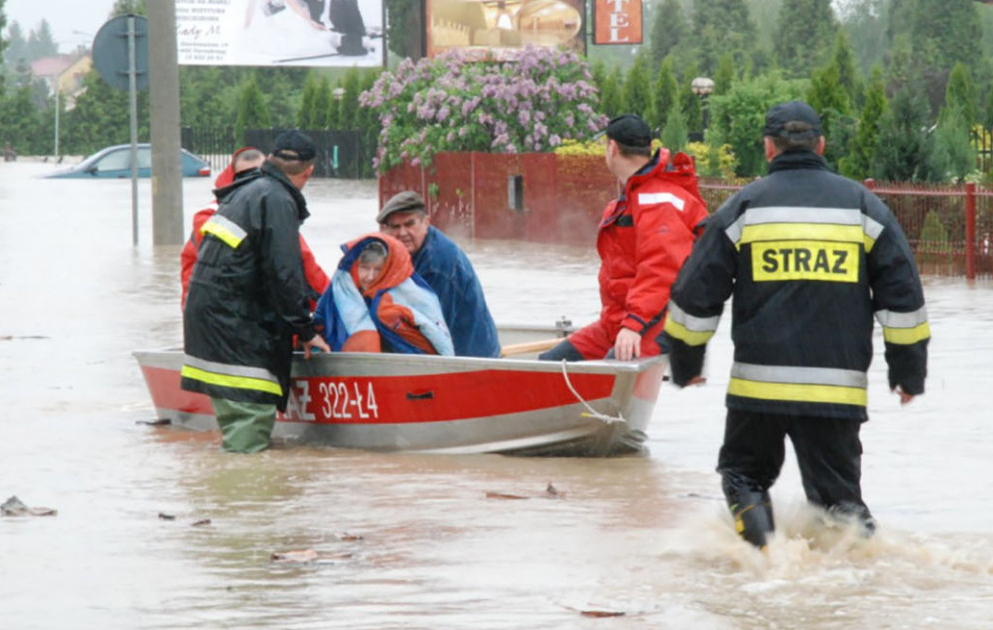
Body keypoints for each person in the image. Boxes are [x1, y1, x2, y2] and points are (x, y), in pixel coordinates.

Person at [663, 101, 931, 549]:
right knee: (840, 505)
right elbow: (903, 299)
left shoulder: (744, 208)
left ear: (769, 148)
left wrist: (685, 363)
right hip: (835, 392)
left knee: (744, 475)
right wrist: (908, 374)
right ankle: (868, 571)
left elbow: (695, 294)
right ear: (821, 145)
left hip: (758, 390)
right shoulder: (864, 209)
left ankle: (764, 561)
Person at [181, 130, 331, 454]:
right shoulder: (276, 199)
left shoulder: (244, 192)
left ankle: (229, 502)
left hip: (209, 327)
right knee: (247, 437)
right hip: (237, 334)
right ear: (309, 172)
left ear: (271, 159)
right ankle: (242, 501)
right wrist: (305, 330)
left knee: (238, 433)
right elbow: (285, 274)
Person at [539, 114, 708, 362]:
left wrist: (633, 325)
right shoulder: (633, 197)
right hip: (620, 321)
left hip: (658, 324)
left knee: (609, 371)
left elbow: (661, 270)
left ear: (612, 147)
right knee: (550, 364)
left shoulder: (657, 201)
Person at [181, 147, 329, 310]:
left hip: (215, 319)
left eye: (258, 175)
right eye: (247, 177)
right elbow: (300, 272)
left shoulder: (214, 215)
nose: (253, 182)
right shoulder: (265, 213)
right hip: (236, 320)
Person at [377, 191, 500, 358]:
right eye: (395, 227)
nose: (402, 233)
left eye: (409, 224)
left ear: (426, 222)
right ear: (385, 230)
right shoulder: (402, 251)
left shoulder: (437, 266)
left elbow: (433, 329)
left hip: (470, 358)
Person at [315, 233, 454, 355]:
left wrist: (448, 363)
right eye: (364, 268)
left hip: (410, 359)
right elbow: (319, 319)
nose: (370, 277)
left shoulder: (406, 293)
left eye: (378, 269)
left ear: (388, 269)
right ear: (356, 266)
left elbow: (433, 329)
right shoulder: (340, 288)